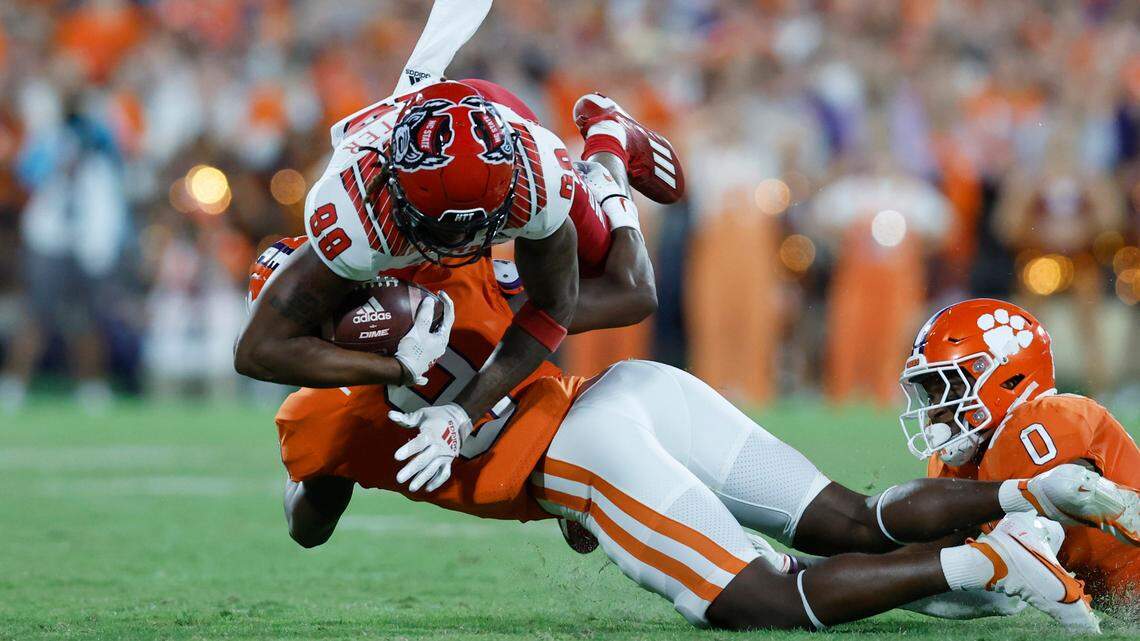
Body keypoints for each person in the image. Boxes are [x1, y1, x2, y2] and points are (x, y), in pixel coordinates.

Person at [234, 0, 681, 485]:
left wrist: (462, 415)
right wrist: (395, 368)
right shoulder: (353, 211)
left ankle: (608, 141)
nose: (460, 244)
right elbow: (255, 351)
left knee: (630, 292)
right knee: (423, 328)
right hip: (430, 187)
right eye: (446, 231)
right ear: (394, 192)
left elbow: (555, 312)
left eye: (472, 229)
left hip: (498, 137)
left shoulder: (538, 176)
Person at [901, 298, 1140, 609]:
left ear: (1008, 377)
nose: (937, 411)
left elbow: (1061, 500)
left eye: (952, 389)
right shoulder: (962, 464)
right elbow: (933, 555)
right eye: (931, 394)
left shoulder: (1048, 420)